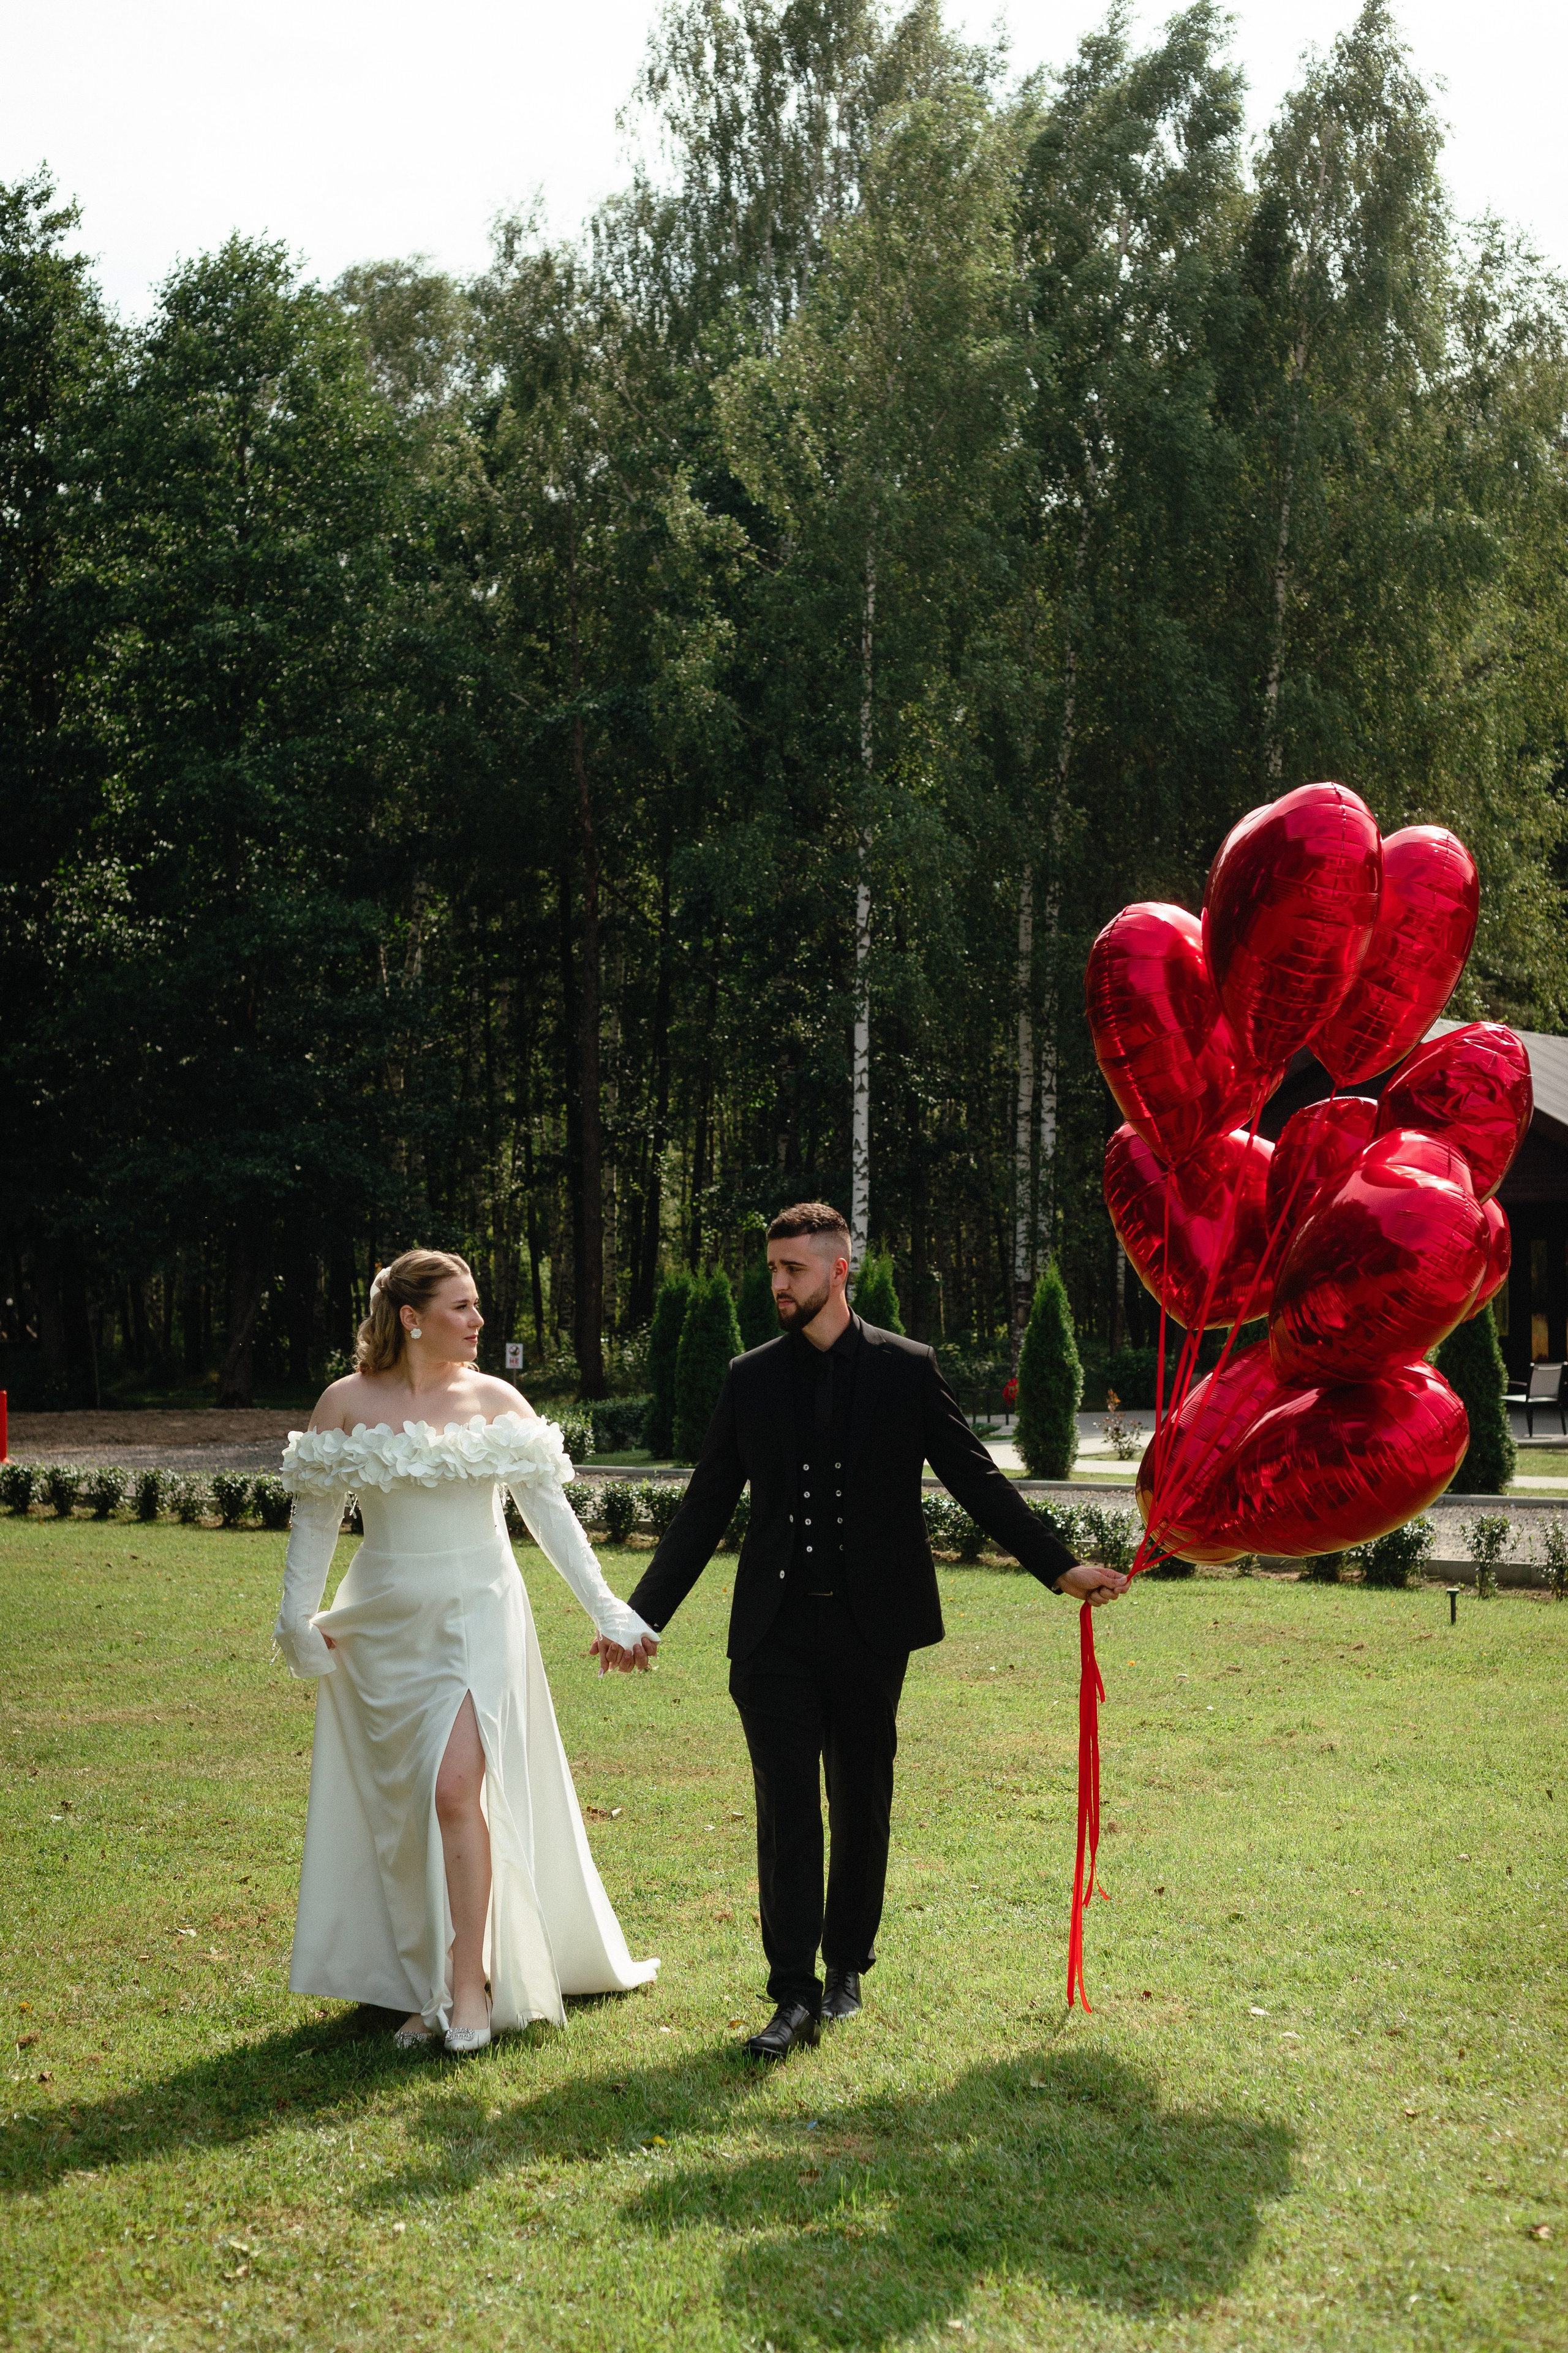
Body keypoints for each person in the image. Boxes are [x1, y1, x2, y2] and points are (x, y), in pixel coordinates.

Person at [613, 1202, 1127, 2061]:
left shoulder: (906, 1369)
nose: (779, 1285)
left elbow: (975, 1477)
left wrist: (1059, 1566)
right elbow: (704, 1507)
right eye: (773, 1270)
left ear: (839, 1269)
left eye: (794, 1270)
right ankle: (792, 1992)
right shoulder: (750, 1378)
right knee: (786, 1808)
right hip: (773, 1632)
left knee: (861, 1798)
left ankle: (846, 1963)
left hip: (870, 1628)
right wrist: (640, 1616)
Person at [271, 1247, 658, 2055]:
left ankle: (468, 1982)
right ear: (412, 1318)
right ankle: (423, 1982)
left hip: (479, 1611)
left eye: (477, 1305)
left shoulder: (496, 1399)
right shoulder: (345, 1401)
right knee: (406, 1806)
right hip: (383, 1622)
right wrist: (296, 1618)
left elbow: (550, 1516)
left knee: (455, 1790)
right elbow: (315, 1519)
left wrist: (608, 1609)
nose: (480, 1320)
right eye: (463, 1306)